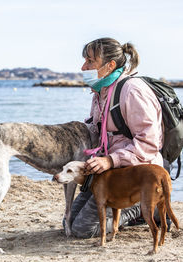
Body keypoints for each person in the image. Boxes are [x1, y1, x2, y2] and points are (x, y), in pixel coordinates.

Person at [66, 37, 165, 238]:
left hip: (135, 175)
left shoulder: (132, 91)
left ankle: (144, 208)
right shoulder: (101, 90)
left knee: (82, 230)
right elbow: (98, 129)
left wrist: (111, 160)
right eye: (85, 60)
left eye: (90, 61)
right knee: (69, 221)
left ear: (110, 65)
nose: (84, 67)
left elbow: (150, 142)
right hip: (110, 173)